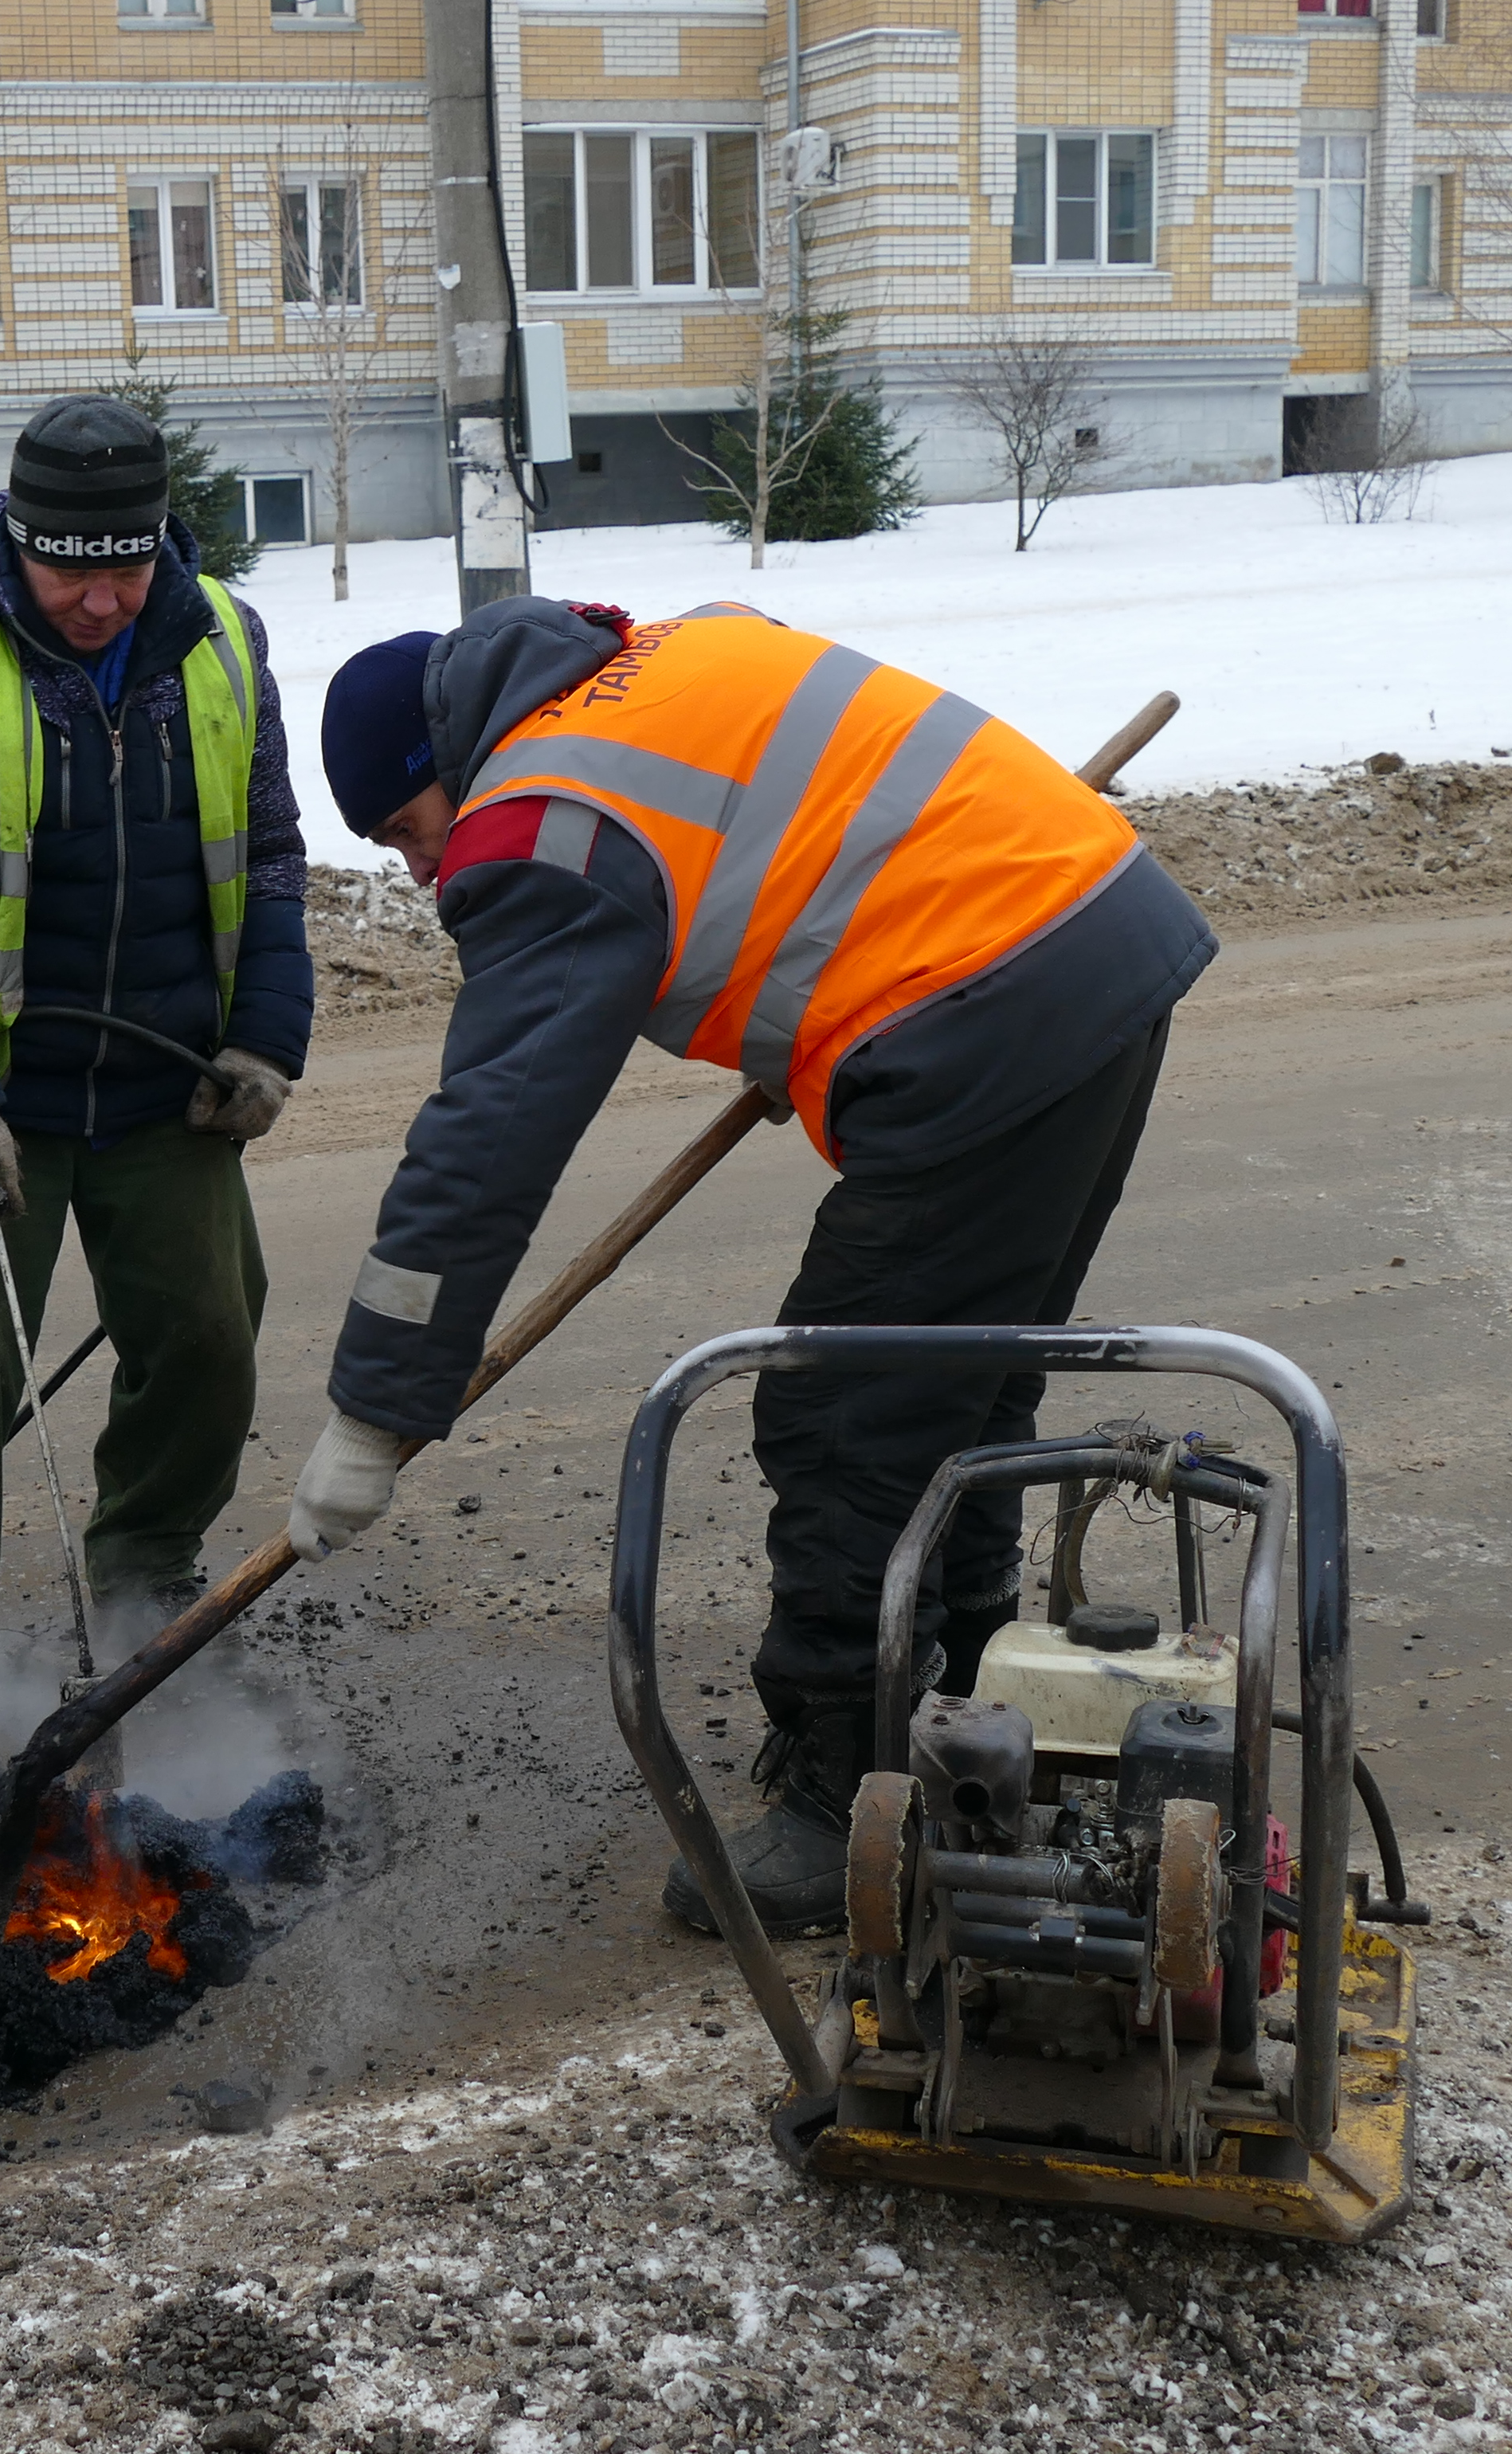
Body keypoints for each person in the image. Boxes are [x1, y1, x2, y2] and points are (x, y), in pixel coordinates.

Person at [279, 596, 1214, 1934]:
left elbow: (483, 1145)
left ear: (443, 774)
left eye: (408, 836)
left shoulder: (539, 825)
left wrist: (377, 1410)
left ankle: (847, 1805)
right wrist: (803, 1009)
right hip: (1091, 937)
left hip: (987, 998)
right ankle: (958, 1719)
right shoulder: (666, 651)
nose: (429, 876)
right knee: (960, 1382)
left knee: (844, 1407)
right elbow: (809, 842)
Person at [0, 394, 313, 1699]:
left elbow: (266, 856)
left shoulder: (221, 640)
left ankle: (149, 1582)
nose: (100, 602)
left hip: (169, 1086)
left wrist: (266, 1036)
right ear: (17, 540)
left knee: (210, 1343)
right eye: (67, 573)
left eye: (128, 568)